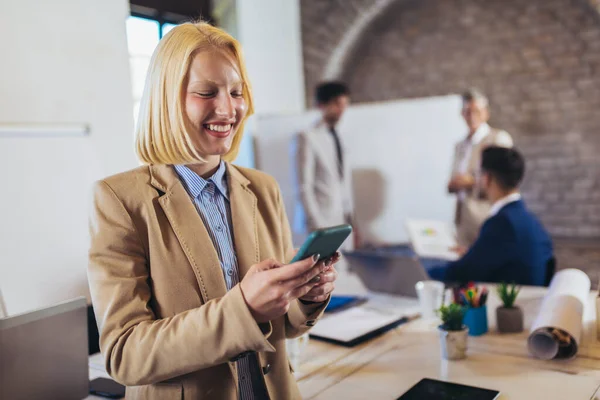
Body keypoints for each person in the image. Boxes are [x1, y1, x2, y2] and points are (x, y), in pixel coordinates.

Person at [87, 22, 339, 400]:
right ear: (166, 100)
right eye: (207, 92)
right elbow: (125, 355)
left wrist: (307, 296)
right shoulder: (118, 199)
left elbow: (280, 326)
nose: (229, 108)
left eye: (236, 92)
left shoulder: (262, 188)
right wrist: (243, 307)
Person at [430, 147, 554, 286]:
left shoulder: (502, 223)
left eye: (478, 174)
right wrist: (472, 254)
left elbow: (461, 273)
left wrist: (425, 272)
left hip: (503, 303)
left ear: (487, 178)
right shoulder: (529, 220)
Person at [296, 81, 359, 249]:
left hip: (344, 220)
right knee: (327, 273)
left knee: (347, 271)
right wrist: (317, 225)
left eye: (345, 104)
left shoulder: (341, 135)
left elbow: (344, 180)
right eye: (338, 104)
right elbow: (304, 186)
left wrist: (352, 218)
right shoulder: (308, 137)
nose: (342, 109)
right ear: (323, 105)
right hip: (322, 221)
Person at [448, 89, 513, 247]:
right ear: (462, 114)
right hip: (462, 221)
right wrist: (453, 184)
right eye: (467, 111)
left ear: (486, 113)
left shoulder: (498, 139)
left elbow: (504, 179)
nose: (471, 116)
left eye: (476, 111)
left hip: (485, 217)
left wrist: (470, 182)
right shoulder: (460, 145)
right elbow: (453, 179)